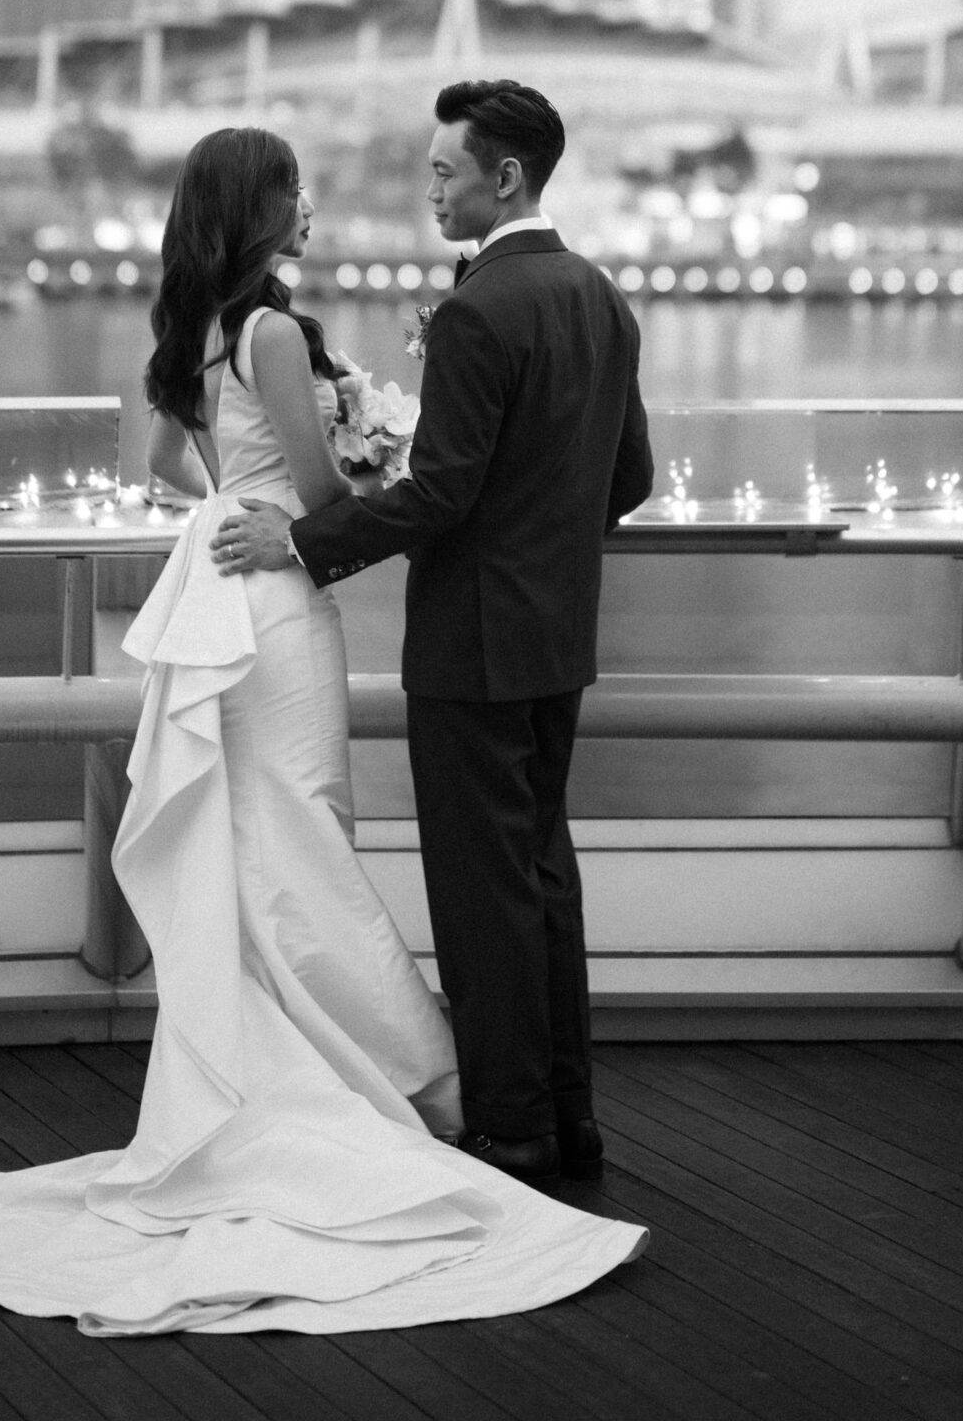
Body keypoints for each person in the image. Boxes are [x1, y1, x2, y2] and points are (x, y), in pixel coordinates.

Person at [0, 126, 643, 1335]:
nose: (313, 208)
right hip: (294, 609)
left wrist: (252, 497)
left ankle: (358, 1074)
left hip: (238, 597)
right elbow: (340, 497)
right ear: (257, 210)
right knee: (327, 833)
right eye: (295, 192)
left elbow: (163, 464)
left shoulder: (196, 331)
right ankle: (429, 1078)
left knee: (266, 838)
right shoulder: (295, 330)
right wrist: (344, 468)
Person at [214, 80, 653, 1189]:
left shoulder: (476, 311)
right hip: (558, 637)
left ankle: (510, 1129)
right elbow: (631, 476)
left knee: (480, 890)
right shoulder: (600, 298)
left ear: (505, 176)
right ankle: (570, 1116)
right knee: (544, 873)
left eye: (444, 171)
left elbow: (446, 495)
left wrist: (305, 545)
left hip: (470, 644)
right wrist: (543, 539)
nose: (431, 189)